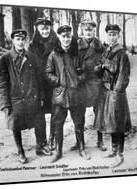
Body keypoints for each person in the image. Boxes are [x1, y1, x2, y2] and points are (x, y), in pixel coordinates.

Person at [0, 29, 52, 164]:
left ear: (26, 41)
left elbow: (39, 78)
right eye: (17, 39)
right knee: (16, 125)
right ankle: (20, 151)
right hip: (15, 99)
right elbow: (2, 84)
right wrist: (4, 104)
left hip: (32, 96)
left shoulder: (31, 56)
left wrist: (42, 97)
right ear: (13, 41)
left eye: (23, 39)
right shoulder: (5, 59)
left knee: (40, 122)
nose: (20, 42)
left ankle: (41, 146)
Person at [45, 25, 90, 163]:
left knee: (79, 122)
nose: (66, 39)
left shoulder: (77, 53)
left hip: (76, 94)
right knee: (58, 124)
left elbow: (84, 71)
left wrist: (78, 79)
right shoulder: (53, 54)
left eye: (68, 36)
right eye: (63, 36)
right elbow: (48, 73)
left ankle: (81, 148)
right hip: (60, 95)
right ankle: (58, 151)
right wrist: (58, 80)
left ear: (71, 37)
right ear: (59, 37)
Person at [95, 24, 132, 168]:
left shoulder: (121, 53)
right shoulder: (106, 51)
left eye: (114, 34)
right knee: (110, 122)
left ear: (118, 36)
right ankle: (113, 150)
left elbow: (124, 76)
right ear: (107, 36)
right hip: (106, 92)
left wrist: (117, 92)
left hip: (116, 93)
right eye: (109, 34)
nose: (111, 37)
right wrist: (100, 67)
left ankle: (119, 155)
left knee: (118, 124)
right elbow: (98, 67)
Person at [70, 19, 107, 152]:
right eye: (86, 30)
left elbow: (105, 62)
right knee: (79, 114)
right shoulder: (76, 45)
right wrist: (78, 71)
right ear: (82, 31)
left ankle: (100, 140)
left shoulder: (100, 46)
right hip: (81, 84)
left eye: (91, 30)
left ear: (94, 31)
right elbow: (71, 63)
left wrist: (101, 67)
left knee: (99, 113)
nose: (89, 32)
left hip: (96, 83)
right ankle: (80, 142)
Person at [28, 18, 59, 151]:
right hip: (39, 84)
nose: (45, 31)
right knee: (38, 115)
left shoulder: (57, 43)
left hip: (53, 83)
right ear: (37, 30)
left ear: (50, 28)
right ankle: (41, 142)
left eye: (47, 28)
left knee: (55, 112)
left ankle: (53, 139)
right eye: (42, 29)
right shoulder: (32, 45)